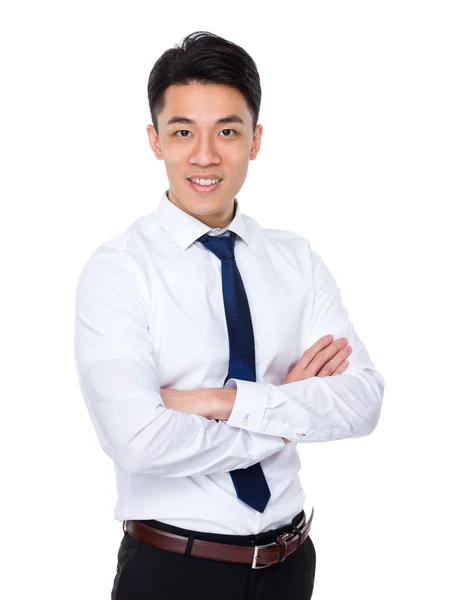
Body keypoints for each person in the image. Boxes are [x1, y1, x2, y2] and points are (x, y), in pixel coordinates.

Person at [74, 30, 385, 600]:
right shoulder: (118, 271)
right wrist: (287, 409)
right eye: (183, 131)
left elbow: (363, 402)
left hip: (290, 566)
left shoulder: (297, 260)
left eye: (228, 131)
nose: (205, 155)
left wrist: (223, 401)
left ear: (255, 140)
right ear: (155, 140)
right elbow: (138, 439)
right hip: (173, 571)